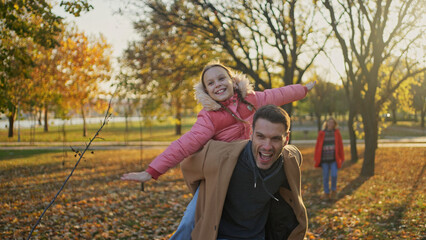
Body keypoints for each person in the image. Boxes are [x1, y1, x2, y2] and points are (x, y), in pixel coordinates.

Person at [121, 62, 314, 239]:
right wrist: (152, 171)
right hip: (220, 172)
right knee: (191, 219)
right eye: (210, 83)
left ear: (232, 80)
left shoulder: (250, 100)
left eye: (221, 78)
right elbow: (184, 145)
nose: (218, 85)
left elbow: (277, 94)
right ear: (206, 91)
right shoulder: (209, 118)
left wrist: (303, 90)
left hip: (250, 164)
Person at [180, 105, 307, 239]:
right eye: (261, 136)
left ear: (286, 139)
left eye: (275, 139)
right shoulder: (223, 157)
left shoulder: (289, 160)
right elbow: (188, 165)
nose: (267, 146)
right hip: (220, 236)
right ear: (251, 133)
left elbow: (296, 154)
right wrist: (206, 195)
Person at [314, 117, 344, 200]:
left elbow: (340, 146)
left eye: (332, 123)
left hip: (334, 159)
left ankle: (334, 191)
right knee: (326, 177)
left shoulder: (337, 133)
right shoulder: (322, 133)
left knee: (334, 175)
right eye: (329, 122)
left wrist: (342, 158)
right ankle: (326, 193)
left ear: (334, 124)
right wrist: (316, 158)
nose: (331, 124)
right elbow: (317, 146)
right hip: (324, 159)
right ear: (326, 123)